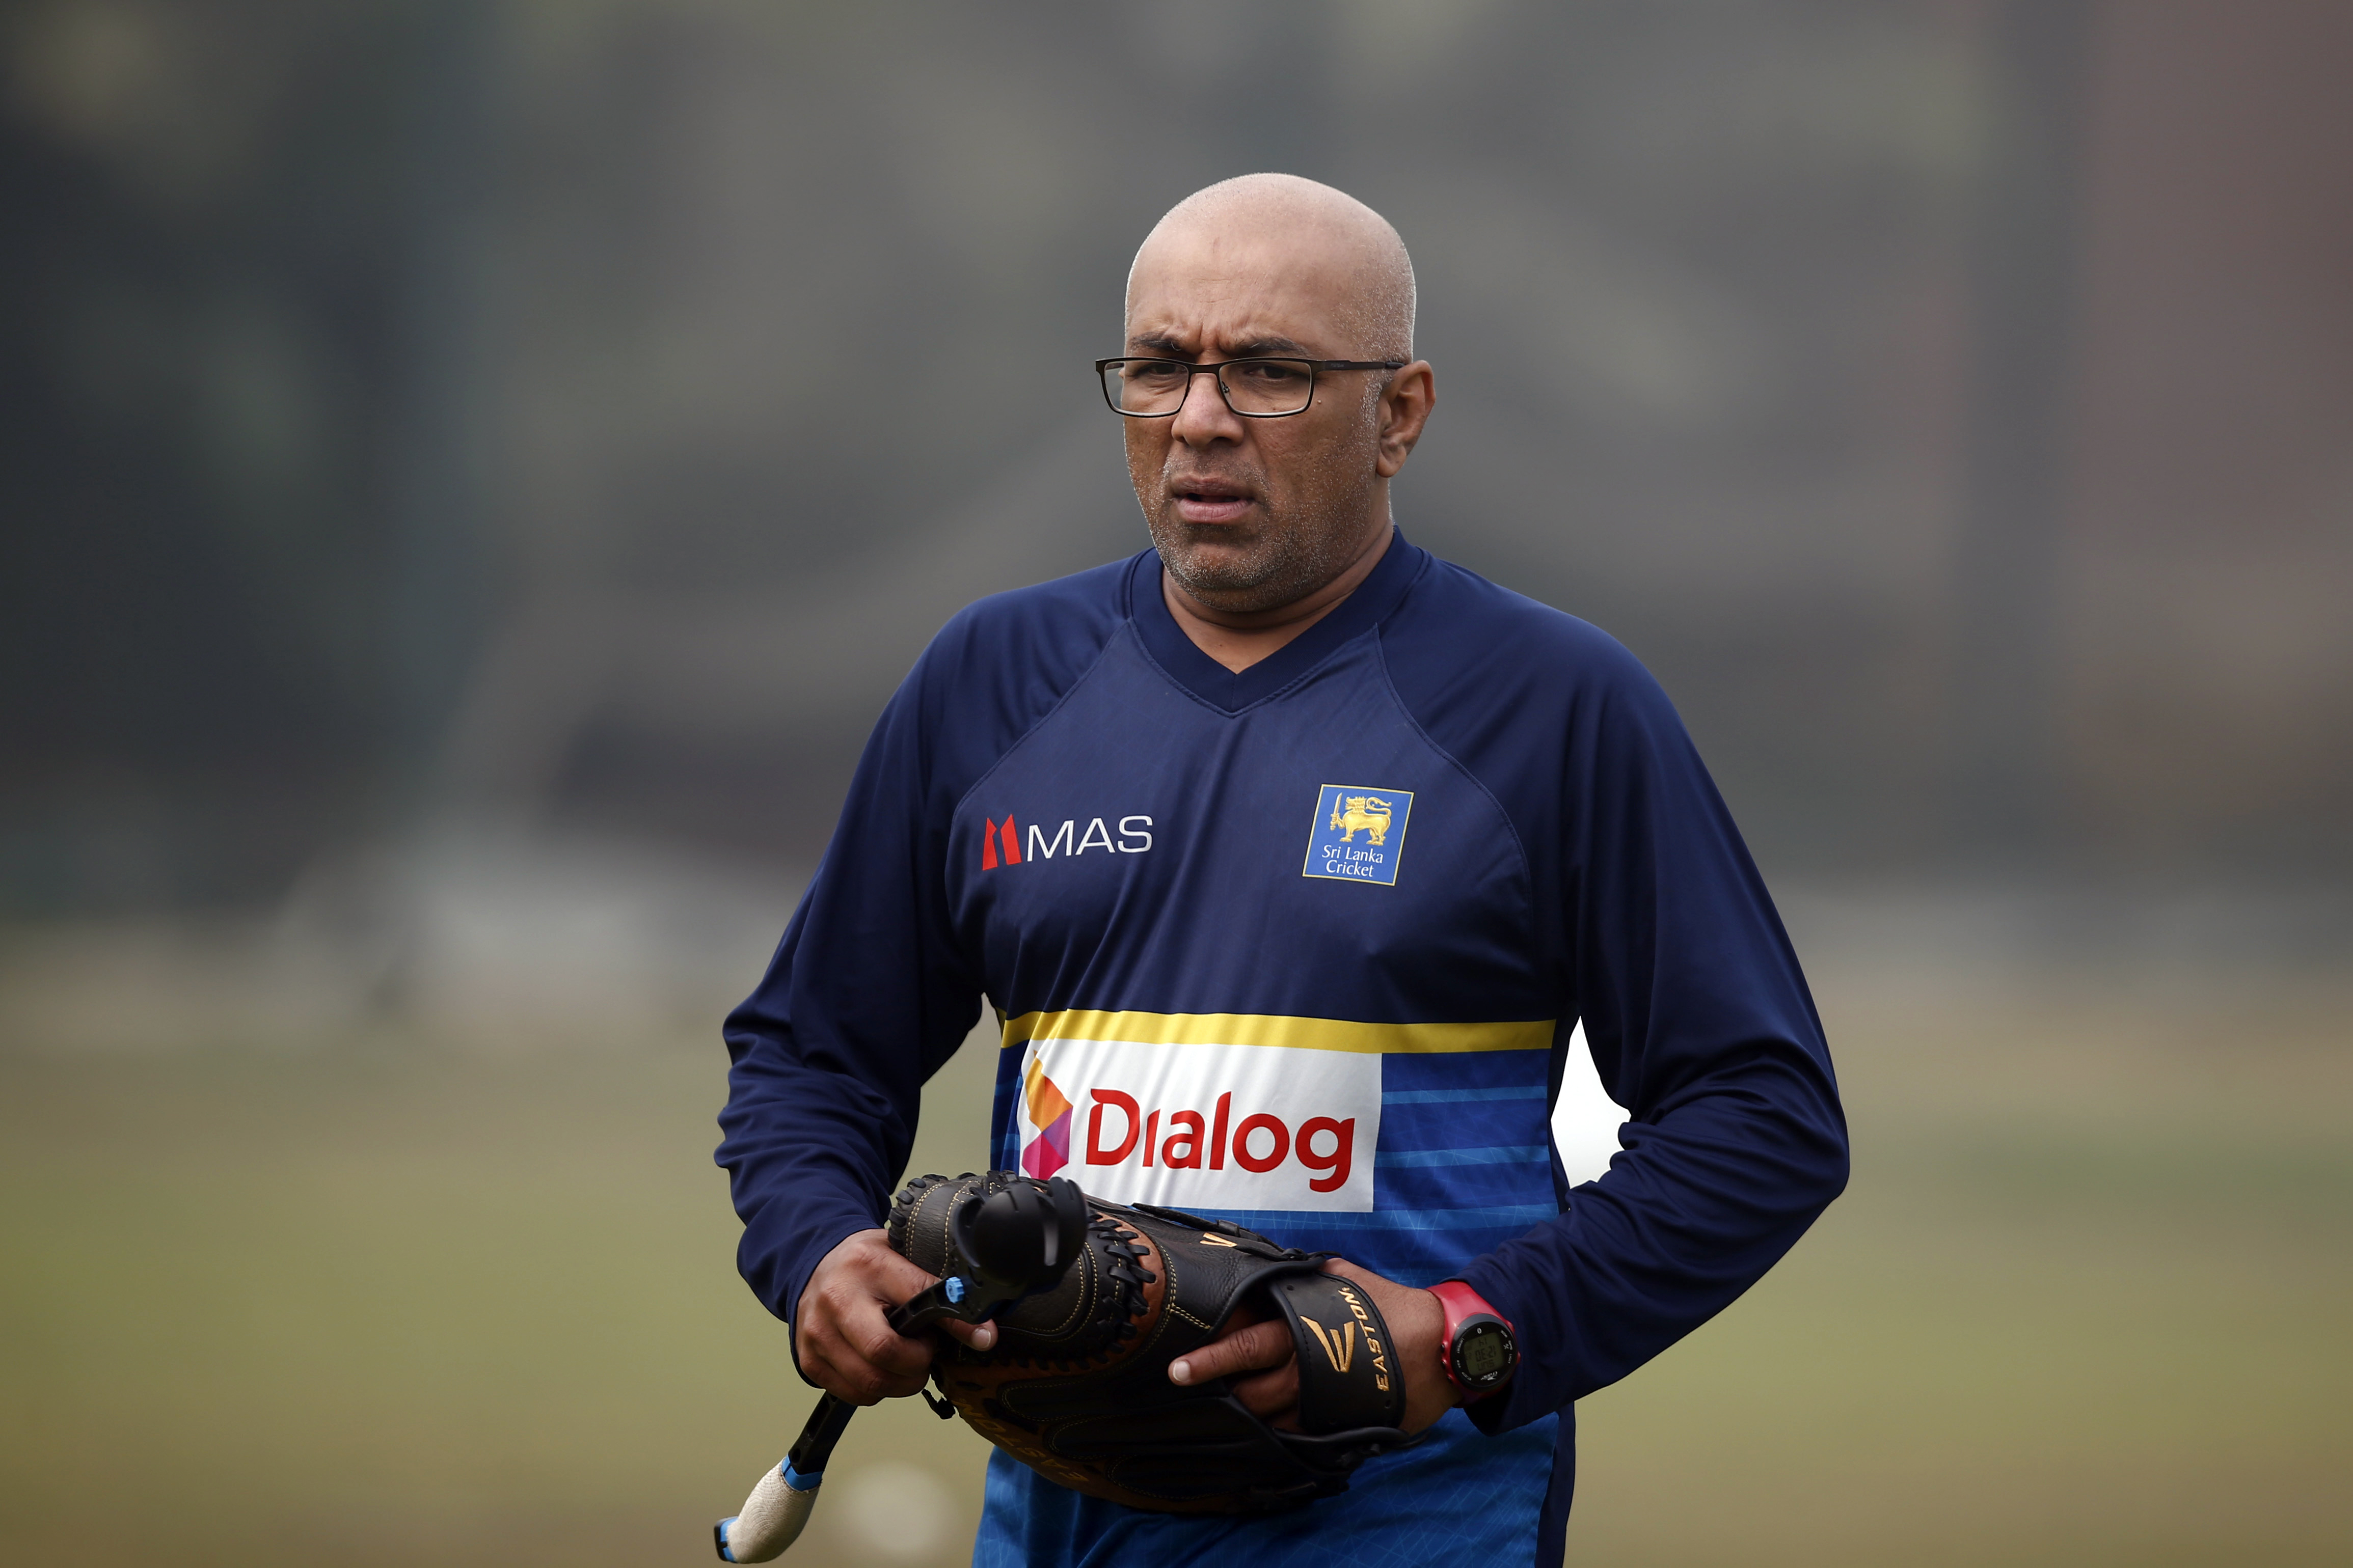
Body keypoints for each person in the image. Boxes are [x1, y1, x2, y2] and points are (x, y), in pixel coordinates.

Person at [717, 173, 1848, 1567]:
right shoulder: (989, 681)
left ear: (1402, 413)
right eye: (1159, 368)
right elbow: (809, 1051)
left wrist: (1466, 1335)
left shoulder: (1554, 706)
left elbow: (1760, 1114)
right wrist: (819, 1252)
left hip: (1416, 1533)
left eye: (1269, 371)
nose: (1198, 418)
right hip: (1058, 1531)